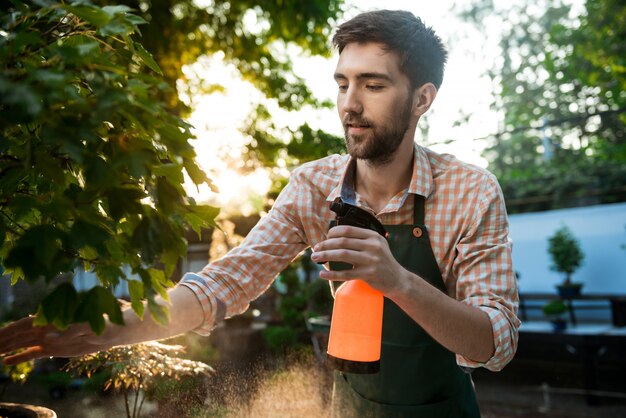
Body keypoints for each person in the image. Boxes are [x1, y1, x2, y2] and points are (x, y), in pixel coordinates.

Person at [0, 9, 519, 417]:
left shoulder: (470, 191)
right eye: (343, 83)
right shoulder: (314, 186)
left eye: (373, 85)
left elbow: (495, 341)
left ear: (422, 98)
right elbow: (224, 283)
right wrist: (103, 326)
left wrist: (398, 280)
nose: (349, 104)